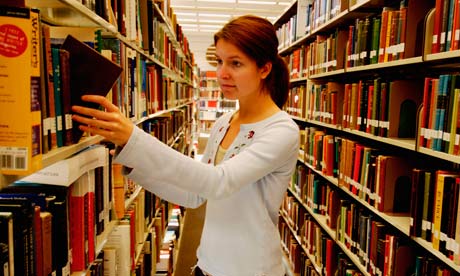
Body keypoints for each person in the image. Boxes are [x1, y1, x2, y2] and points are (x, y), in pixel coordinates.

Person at [72, 15, 299, 276]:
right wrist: (133, 160)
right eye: (219, 61)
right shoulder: (225, 123)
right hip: (207, 264)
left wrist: (134, 138)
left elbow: (218, 182)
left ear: (264, 69)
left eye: (236, 63)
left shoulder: (282, 131)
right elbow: (195, 195)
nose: (222, 73)